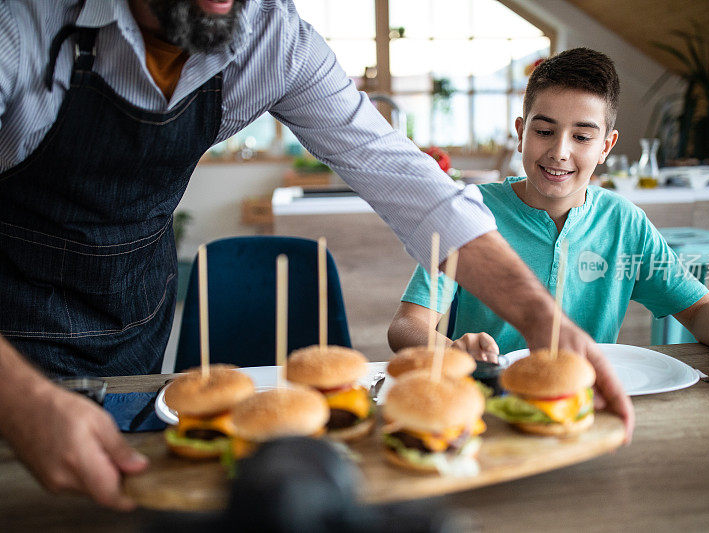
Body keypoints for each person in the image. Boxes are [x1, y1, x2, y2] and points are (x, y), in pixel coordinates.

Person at [0, 1, 632, 509]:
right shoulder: (20, 25)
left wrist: (539, 315)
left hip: (129, 303)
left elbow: (406, 180)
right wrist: (19, 400)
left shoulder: (270, 37)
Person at [388, 48, 709, 387]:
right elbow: (407, 325)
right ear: (521, 131)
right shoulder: (471, 211)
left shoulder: (624, 221)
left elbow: (698, 309)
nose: (560, 151)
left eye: (582, 137)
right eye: (544, 131)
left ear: (606, 146)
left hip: (586, 400)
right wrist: (448, 349)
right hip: (487, 398)